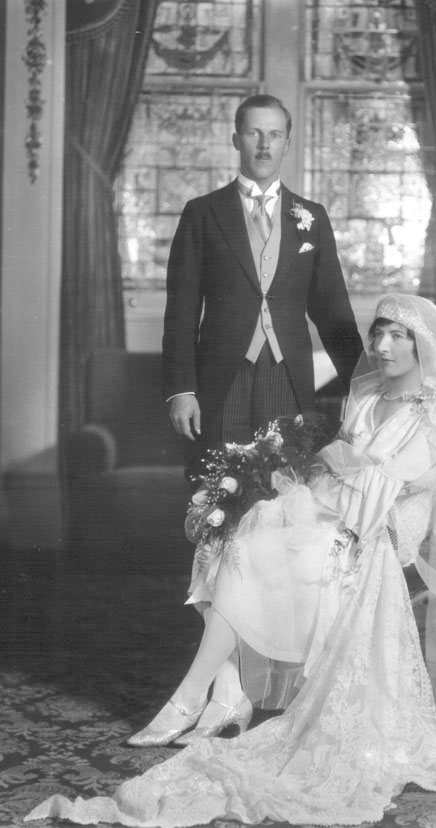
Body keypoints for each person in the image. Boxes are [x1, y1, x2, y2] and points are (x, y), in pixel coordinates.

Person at [26, 294, 436, 827]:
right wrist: (325, 480)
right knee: (229, 540)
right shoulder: (366, 398)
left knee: (256, 550)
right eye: (377, 334)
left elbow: (403, 488)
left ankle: (197, 696)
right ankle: (220, 691)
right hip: (330, 513)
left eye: (397, 336)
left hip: (374, 538)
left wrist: (354, 476)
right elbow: (335, 468)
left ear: (423, 346)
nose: (381, 346)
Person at [161, 93, 363, 729]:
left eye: (276, 135)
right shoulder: (202, 214)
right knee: (218, 527)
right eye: (254, 134)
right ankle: (227, 689)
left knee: (274, 535)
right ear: (236, 138)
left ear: (289, 141)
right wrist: (180, 389)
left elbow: (331, 311)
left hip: (285, 388)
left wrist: (369, 382)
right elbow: (179, 312)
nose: (265, 145)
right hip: (221, 388)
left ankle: (244, 682)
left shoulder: (312, 217)